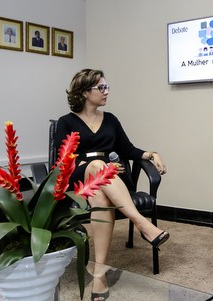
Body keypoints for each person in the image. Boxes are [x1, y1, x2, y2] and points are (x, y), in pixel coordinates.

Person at [55, 69, 170, 301]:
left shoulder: (111, 120)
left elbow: (128, 149)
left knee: (100, 196)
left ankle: (99, 273)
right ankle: (142, 224)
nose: (106, 92)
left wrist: (152, 153)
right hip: (77, 177)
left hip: (109, 179)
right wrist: (96, 165)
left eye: (107, 87)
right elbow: (63, 160)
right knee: (97, 165)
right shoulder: (66, 122)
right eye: (102, 88)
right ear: (86, 92)